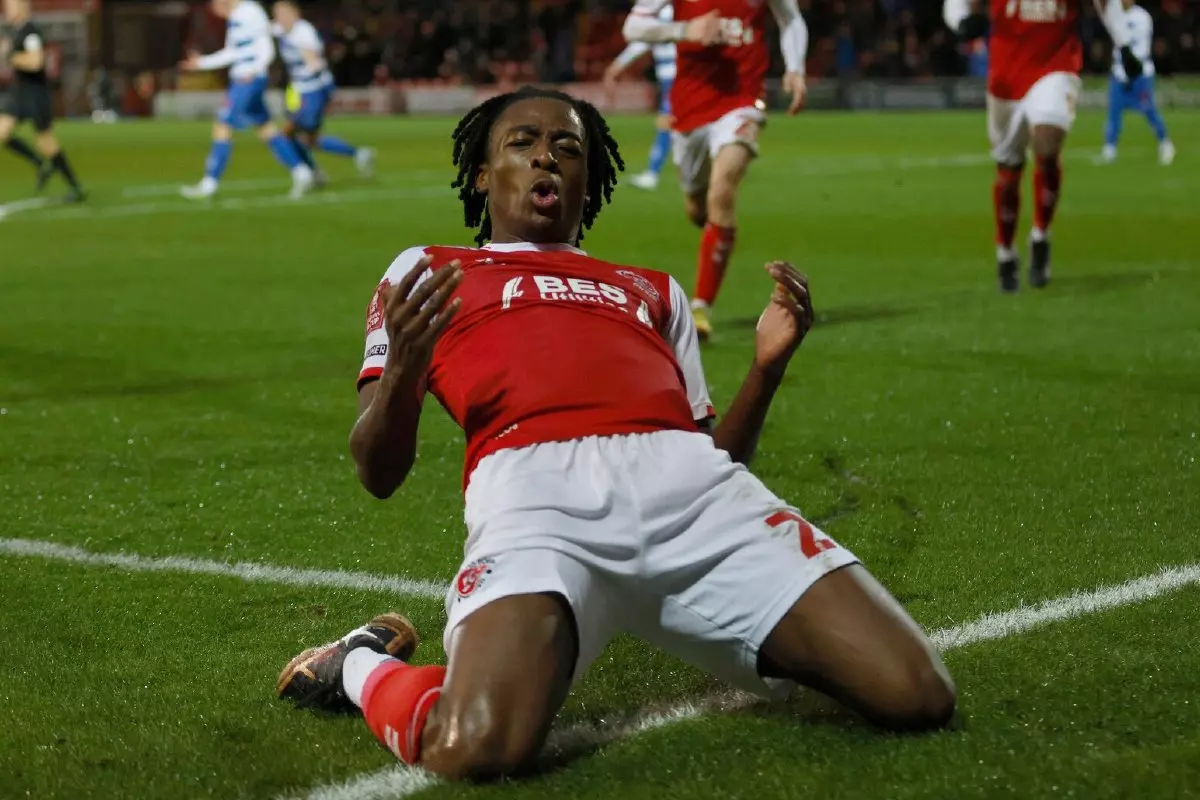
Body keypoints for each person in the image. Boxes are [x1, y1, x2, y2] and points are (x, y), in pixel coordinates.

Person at [276, 86, 955, 781]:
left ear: (589, 178)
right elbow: (376, 471)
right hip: (538, 505)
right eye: (523, 142)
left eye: (568, 148)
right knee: (473, 747)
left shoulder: (653, 290)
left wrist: (765, 370)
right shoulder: (427, 271)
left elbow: (719, 454)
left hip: (695, 496)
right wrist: (402, 375)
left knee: (917, 693)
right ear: (482, 174)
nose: (547, 156)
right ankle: (360, 664)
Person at [622, 0, 810, 342]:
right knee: (699, 208)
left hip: (743, 102)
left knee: (723, 189)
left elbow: (791, 18)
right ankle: (717, 234)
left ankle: (700, 308)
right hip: (689, 108)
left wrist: (795, 69)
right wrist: (683, 30)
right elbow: (632, 27)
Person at [944, 0, 1134, 292]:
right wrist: (960, 23)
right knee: (1008, 171)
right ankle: (1005, 252)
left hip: (1056, 64)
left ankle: (1040, 235)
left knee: (1047, 145)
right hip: (1006, 74)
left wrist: (1125, 43)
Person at [178, 0, 313, 200]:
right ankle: (302, 172)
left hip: (248, 79)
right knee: (266, 129)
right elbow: (233, 52)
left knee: (222, 126)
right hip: (243, 78)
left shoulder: (250, 10)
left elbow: (265, 43)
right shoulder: (236, 15)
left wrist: (257, 70)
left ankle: (209, 183)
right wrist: (202, 63)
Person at [271, 0, 375, 185]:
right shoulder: (282, 29)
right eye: (277, 14)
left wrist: (311, 72)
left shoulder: (303, 33)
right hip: (299, 90)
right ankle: (357, 154)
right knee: (310, 140)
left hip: (313, 90)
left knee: (286, 134)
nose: (280, 18)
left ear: (296, 14)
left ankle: (309, 173)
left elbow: (314, 62)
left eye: (284, 13)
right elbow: (264, 29)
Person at [0, 0, 85, 201]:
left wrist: (10, 56)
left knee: (46, 141)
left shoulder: (31, 32)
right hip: (19, 92)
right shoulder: (16, 31)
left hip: (35, 93)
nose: (7, 9)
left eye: (11, 5)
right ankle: (39, 164)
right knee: (2, 132)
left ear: (22, 7)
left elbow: (36, 62)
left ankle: (75, 186)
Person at [603, 4, 676, 191]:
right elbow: (645, 39)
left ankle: (653, 173)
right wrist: (617, 66)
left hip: (678, 75)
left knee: (667, 123)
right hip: (672, 75)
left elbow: (645, 39)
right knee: (674, 124)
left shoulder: (666, 10)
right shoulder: (668, 9)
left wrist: (617, 66)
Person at [1099, 0, 1174, 166]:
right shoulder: (1114, 13)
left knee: (1149, 110)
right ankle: (1109, 149)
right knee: (1114, 111)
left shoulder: (1142, 17)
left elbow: (1138, 44)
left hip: (1139, 72)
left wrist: (1131, 69)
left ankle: (1165, 143)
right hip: (1119, 72)